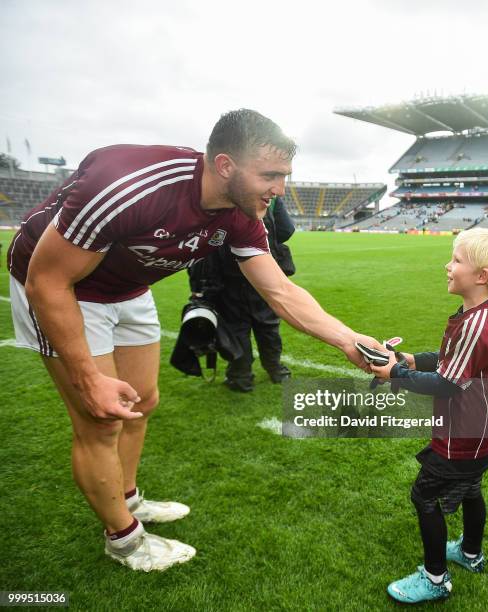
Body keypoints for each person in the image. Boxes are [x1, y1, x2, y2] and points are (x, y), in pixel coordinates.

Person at [7, 109, 382, 572]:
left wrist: (347, 339)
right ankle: (123, 540)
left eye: (285, 175)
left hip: (127, 288)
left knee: (141, 402)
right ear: (224, 166)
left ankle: (127, 499)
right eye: (270, 175)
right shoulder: (130, 184)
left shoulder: (243, 213)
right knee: (100, 419)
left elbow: (279, 290)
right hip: (59, 286)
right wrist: (87, 377)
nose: (280, 189)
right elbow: (48, 280)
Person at [370, 228, 488, 604]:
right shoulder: (477, 314)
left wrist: (395, 375)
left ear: (481, 275)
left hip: (461, 438)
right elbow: (451, 361)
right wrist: (409, 360)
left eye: (456, 260)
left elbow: (447, 383)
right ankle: (470, 554)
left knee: (424, 496)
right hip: (476, 435)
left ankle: (435, 579)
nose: (447, 266)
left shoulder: (475, 324)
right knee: (471, 489)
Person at [188, 195, 294, 391]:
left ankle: (240, 376)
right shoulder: (270, 197)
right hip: (262, 271)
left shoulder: (221, 194)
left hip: (226, 275)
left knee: (236, 328)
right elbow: (287, 229)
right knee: (268, 325)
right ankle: (276, 369)